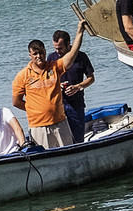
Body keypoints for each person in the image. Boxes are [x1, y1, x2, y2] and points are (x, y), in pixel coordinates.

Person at [11, 19, 88, 149]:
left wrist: (80, 31)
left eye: (41, 52)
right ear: (30, 55)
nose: (39, 56)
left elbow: (72, 53)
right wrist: (34, 109)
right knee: (45, 157)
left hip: (60, 123)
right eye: (35, 54)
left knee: (68, 154)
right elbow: (16, 102)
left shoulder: (54, 67)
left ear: (45, 51)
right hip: (38, 127)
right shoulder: (22, 75)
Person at [46, 29, 95, 143]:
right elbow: (47, 81)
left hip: (76, 105)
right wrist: (58, 85)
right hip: (58, 105)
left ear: (69, 44)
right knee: (60, 140)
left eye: (60, 48)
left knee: (78, 139)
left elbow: (91, 78)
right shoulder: (51, 58)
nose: (57, 51)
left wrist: (78, 86)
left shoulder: (81, 56)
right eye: (55, 48)